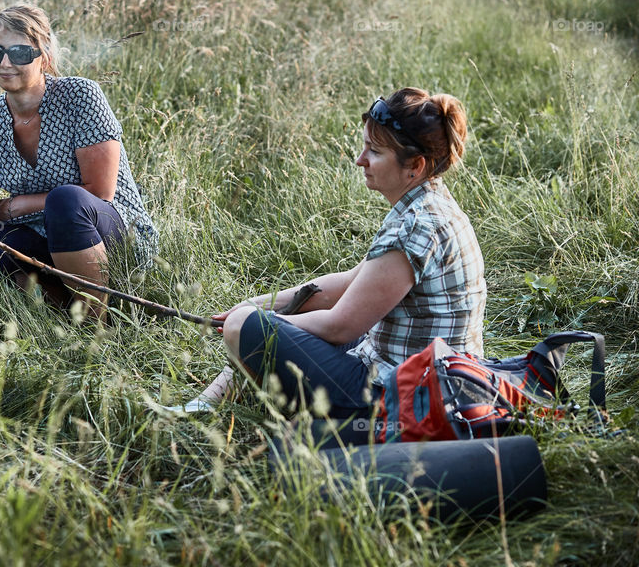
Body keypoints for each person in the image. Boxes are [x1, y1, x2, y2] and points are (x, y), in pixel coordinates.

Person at [177, 88, 486, 427]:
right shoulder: (427, 201)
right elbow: (352, 281)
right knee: (270, 315)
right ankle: (210, 400)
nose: (360, 159)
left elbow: (341, 327)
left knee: (246, 327)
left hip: (403, 397)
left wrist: (253, 325)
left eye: (375, 151)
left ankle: (212, 401)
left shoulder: (415, 227)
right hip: (429, 376)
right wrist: (260, 305)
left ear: (414, 165)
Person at [0, 4, 157, 317]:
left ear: (44, 57)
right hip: (39, 235)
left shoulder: (80, 96)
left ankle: (94, 325)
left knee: (66, 201)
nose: (4, 63)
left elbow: (98, 195)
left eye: (19, 53)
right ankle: (62, 307)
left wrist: (13, 206)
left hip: (110, 233)